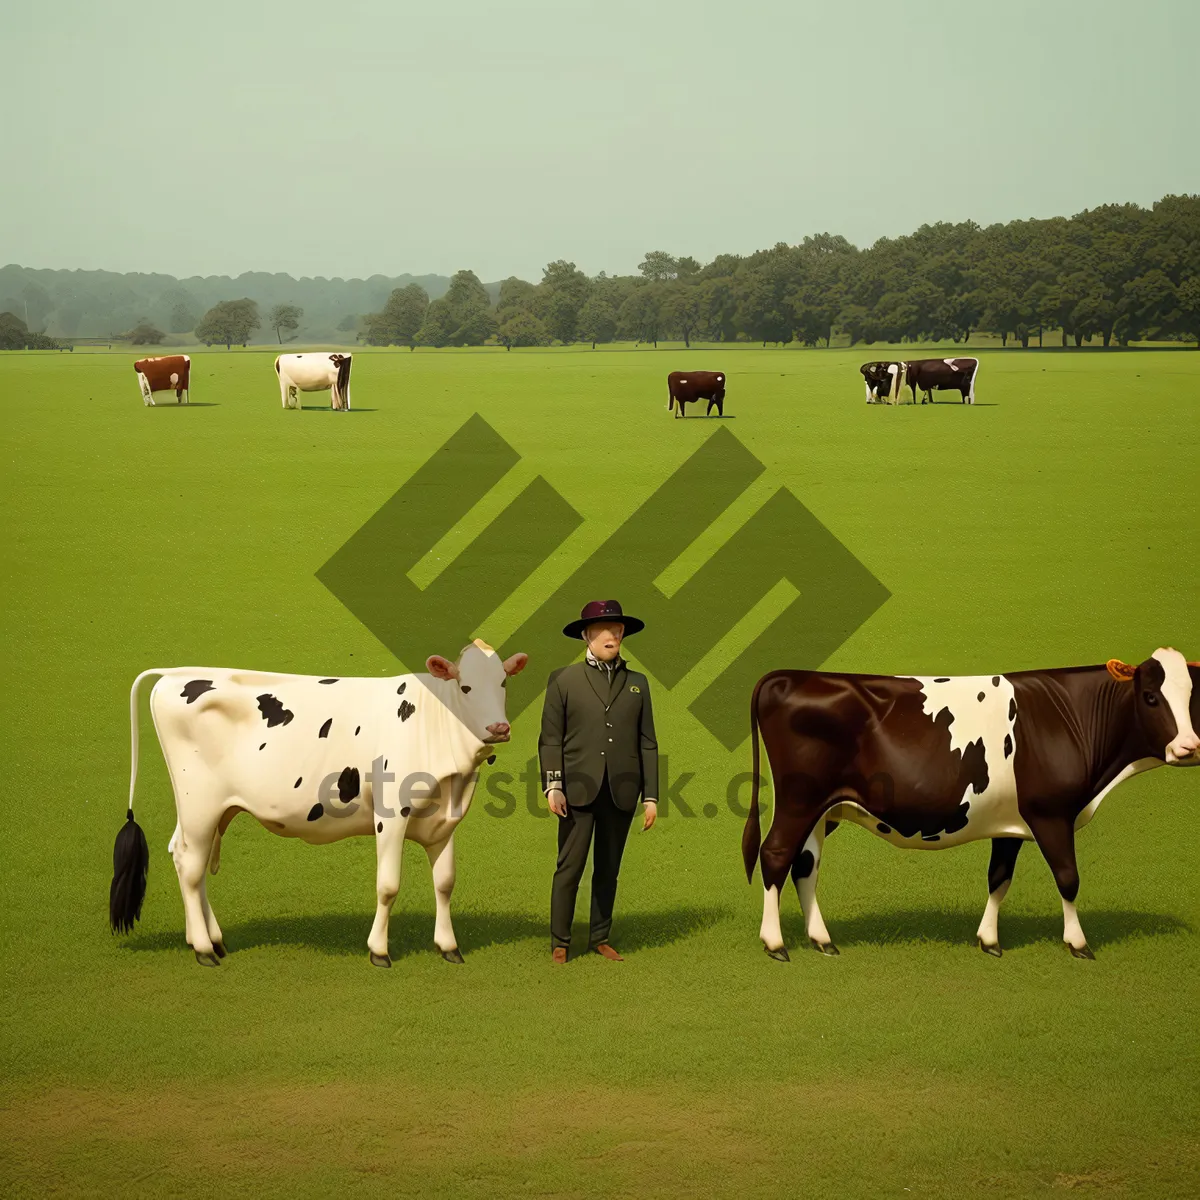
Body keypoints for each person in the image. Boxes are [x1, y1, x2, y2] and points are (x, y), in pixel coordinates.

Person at [538, 600, 659, 964]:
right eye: (604, 630)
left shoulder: (638, 684)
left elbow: (647, 742)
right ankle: (561, 941)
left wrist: (650, 796)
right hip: (576, 791)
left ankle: (600, 937)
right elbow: (550, 738)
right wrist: (553, 785)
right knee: (569, 868)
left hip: (622, 792)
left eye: (617, 629)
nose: (612, 635)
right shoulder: (563, 680)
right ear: (586, 636)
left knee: (608, 869)